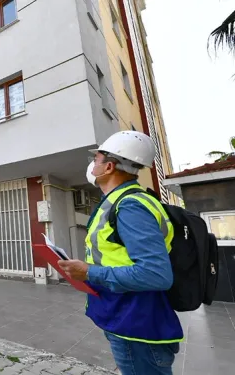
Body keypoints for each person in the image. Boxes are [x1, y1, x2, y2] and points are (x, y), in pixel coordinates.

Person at [58, 131, 183, 375]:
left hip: (136, 322)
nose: (92, 163)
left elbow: (155, 274)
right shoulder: (120, 201)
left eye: (97, 159)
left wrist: (89, 271)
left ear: (109, 167)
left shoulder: (131, 205)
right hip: (124, 315)